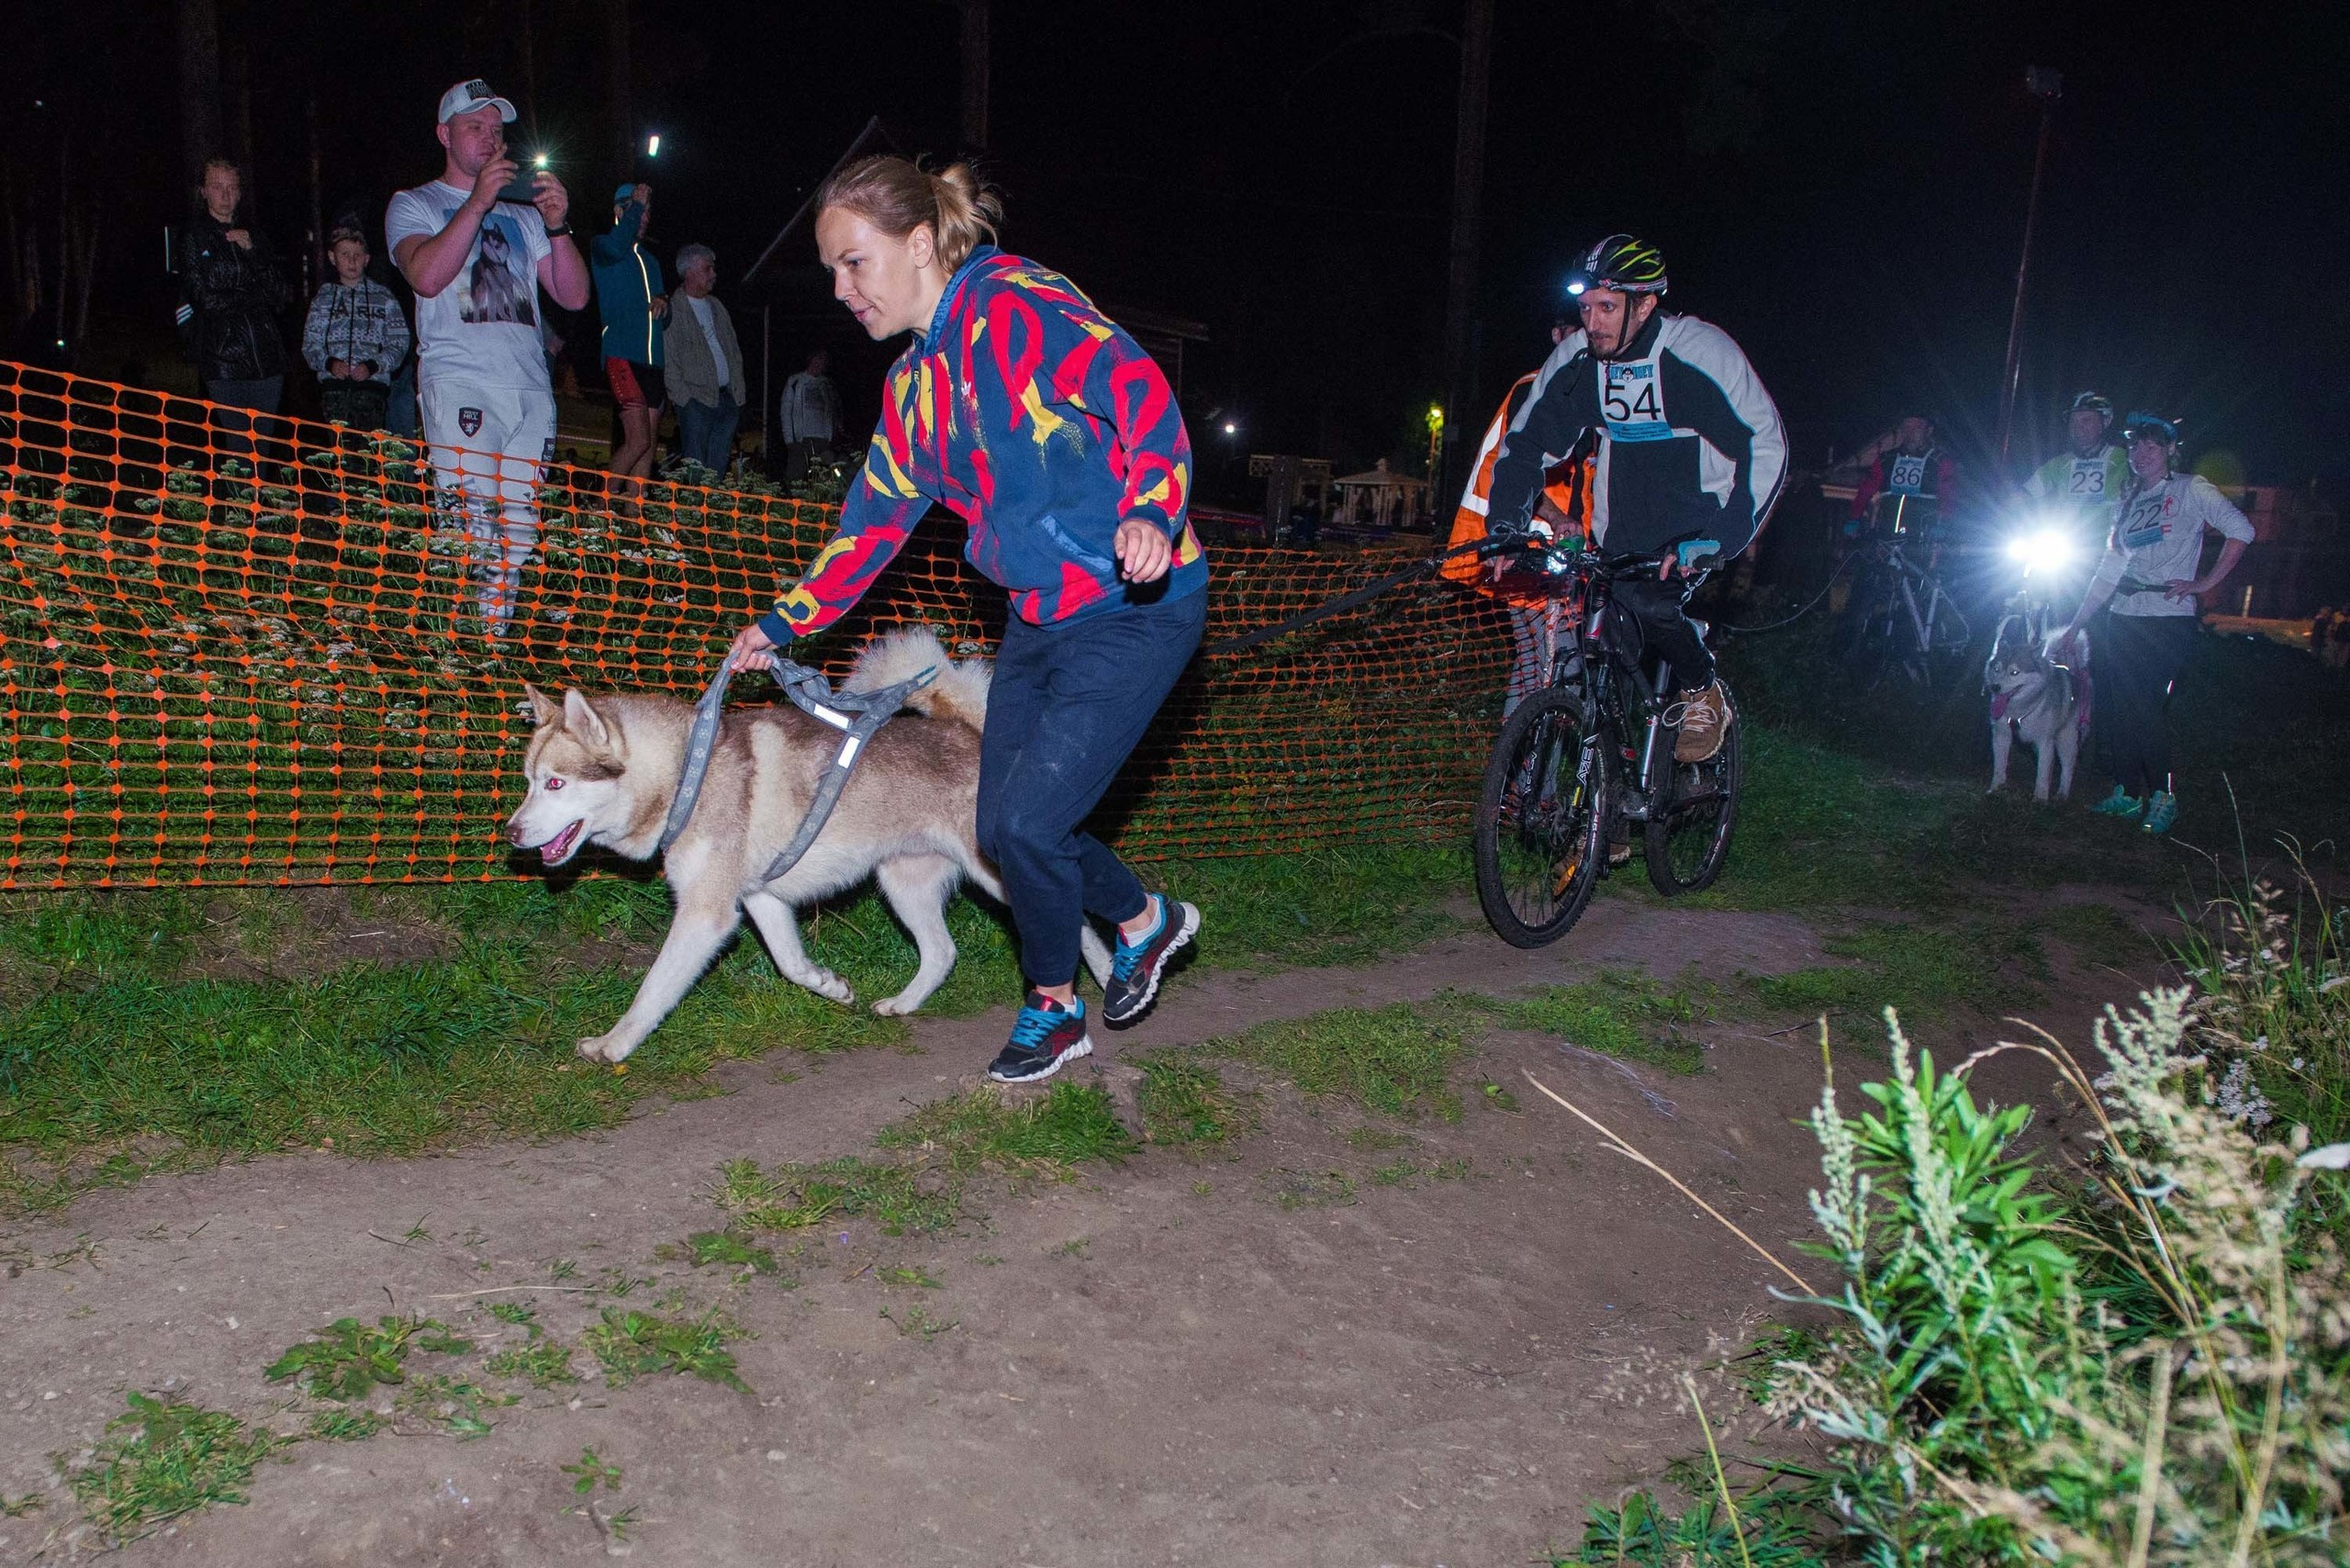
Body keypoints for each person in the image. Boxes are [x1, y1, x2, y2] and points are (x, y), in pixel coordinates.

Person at [722, 155, 1208, 1086]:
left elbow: (1137, 389)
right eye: (831, 269)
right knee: (1002, 823)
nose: (841, 288)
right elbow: (866, 530)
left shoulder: (1017, 306)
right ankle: (1145, 919)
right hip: (1042, 616)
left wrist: (1152, 504)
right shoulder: (914, 394)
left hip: (1141, 605)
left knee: (1027, 821)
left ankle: (1052, 1009)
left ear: (916, 244)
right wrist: (781, 624)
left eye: (854, 262)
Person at [1486, 233, 1786, 761]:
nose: (1592, 322)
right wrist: (1507, 528)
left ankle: (1702, 687)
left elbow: (1766, 446)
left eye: (1607, 307)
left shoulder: (1698, 353)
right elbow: (1525, 444)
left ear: (1645, 304)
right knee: (1598, 649)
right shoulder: (1578, 360)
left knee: (1651, 602)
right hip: (1621, 529)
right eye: (1585, 308)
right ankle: (1610, 825)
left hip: (1697, 524)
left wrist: (1722, 538)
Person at [386, 78, 590, 629]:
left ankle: (491, 644)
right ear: (443, 134)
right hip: (460, 383)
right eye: (474, 127)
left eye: (496, 129)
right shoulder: (415, 203)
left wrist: (558, 224)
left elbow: (572, 295)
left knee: (519, 527)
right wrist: (476, 203)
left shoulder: (523, 211)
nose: (488, 138)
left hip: (529, 388)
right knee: (472, 525)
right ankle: (457, 644)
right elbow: (425, 277)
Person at [2054, 413, 2252, 835]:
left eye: (2152, 446)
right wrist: (2074, 626)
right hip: (2123, 616)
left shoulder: (2189, 489)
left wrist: (2204, 583)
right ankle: (2126, 793)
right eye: (2136, 447)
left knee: (2146, 707)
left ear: (2170, 451)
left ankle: (2164, 796)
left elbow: (2241, 530)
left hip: (2167, 618)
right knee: (2120, 707)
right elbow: (2108, 571)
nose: (2142, 454)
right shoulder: (2126, 500)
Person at [1446, 313, 1591, 715]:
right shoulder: (1535, 389)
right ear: (1557, 335)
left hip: (1566, 554)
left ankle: (1517, 774)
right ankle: (1528, 774)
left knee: (1537, 667)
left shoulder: (1594, 392)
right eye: (1578, 329)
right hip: (1529, 548)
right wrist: (1560, 518)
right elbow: (1515, 472)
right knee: (1556, 666)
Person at [173, 159, 289, 411]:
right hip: (222, 359)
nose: (225, 195)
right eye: (217, 187)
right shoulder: (194, 237)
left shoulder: (255, 235)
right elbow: (204, 299)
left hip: (266, 356)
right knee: (238, 443)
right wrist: (252, 297)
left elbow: (280, 295)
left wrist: (252, 252)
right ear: (203, 191)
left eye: (232, 187)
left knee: (262, 444)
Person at [591, 183, 666, 480]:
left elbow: (662, 308)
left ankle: (633, 518)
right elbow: (617, 244)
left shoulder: (651, 261)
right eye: (638, 209)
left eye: (647, 211)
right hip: (622, 356)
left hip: (653, 363)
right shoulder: (604, 247)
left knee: (648, 449)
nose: (644, 217)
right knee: (637, 441)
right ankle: (599, 513)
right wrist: (634, 207)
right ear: (619, 210)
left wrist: (665, 303)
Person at [302, 227, 410, 430]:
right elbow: (310, 344)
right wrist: (329, 363)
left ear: (366, 259)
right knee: (338, 454)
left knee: (367, 455)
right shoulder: (323, 299)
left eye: (357, 255)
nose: (352, 261)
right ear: (333, 258)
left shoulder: (384, 298)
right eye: (345, 254)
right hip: (333, 391)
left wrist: (373, 366)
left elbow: (399, 342)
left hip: (373, 391)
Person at [665, 242, 747, 477]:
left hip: (726, 400)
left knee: (718, 469)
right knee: (696, 469)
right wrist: (684, 400)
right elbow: (669, 360)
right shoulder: (673, 308)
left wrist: (738, 395)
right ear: (689, 272)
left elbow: (733, 351)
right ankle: (693, 513)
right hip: (696, 401)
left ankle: (711, 513)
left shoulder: (717, 306)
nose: (714, 274)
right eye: (707, 269)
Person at [2025, 391, 2132, 548]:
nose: (2077, 428)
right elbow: (2024, 494)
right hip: (2065, 548)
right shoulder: (2060, 464)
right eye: (2073, 422)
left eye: (2086, 420)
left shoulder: (2125, 459)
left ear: (2106, 421)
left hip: (2110, 548)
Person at [1847, 414, 1957, 538]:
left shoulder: (1940, 461)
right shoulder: (1886, 460)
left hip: (1922, 536)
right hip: (1885, 533)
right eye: (1906, 428)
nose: (1910, 433)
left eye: (1916, 428)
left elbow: (1948, 495)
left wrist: (1944, 524)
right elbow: (1866, 490)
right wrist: (1854, 518)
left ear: (1929, 431)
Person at [778, 348, 840, 483]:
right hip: (801, 440)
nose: (819, 363)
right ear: (810, 360)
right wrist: (789, 440)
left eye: (823, 361)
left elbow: (831, 412)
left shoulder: (826, 385)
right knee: (795, 479)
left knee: (829, 477)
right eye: (817, 359)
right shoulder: (795, 381)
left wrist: (830, 436)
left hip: (823, 440)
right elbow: (786, 412)